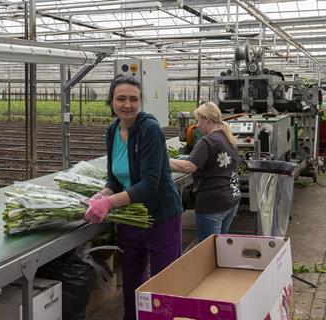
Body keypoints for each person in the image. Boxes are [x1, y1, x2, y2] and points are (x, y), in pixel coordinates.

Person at [84, 74, 183, 320]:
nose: (127, 104)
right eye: (121, 99)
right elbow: (114, 178)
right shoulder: (112, 130)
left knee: (163, 287)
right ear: (111, 102)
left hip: (161, 218)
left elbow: (149, 184)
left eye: (133, 99)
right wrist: (103, 193)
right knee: (131, 286)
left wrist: (108, 203)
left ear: (140, 101)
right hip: (131, 219)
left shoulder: (149, 128)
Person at [170, 101, 241, 242]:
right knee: (219, 245)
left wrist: (160, 160)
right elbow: (210, 159)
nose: (196, 125)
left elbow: (188, 167)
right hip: (231, 200)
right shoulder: (227, 137)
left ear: (206, 119)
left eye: (198, 120)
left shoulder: (207, 141)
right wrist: (184, 157)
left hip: (213, 204)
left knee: (207, 250)